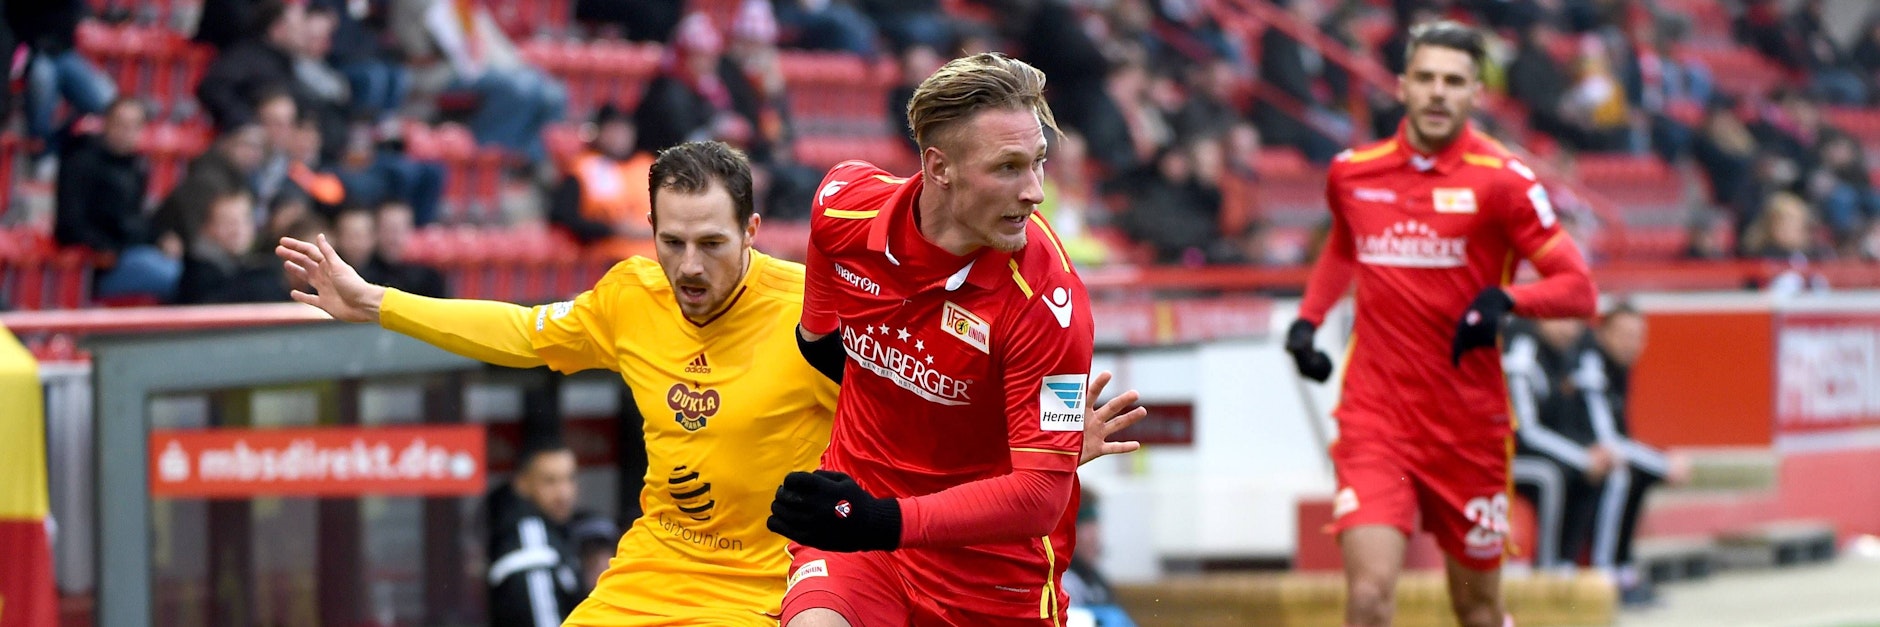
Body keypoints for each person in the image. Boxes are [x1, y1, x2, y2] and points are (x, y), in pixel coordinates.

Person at [277, 140, 1145, 626]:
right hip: (656, 569)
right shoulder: (629, 296)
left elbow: (926, 426)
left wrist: (1051, 447)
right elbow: (524, 334)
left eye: (711, 244)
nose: (688, 267)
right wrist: (374, 302)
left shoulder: (819, 308)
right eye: (671, 241)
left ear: (755, 231)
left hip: (780, 581)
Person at [1281, 21, 1598, 627]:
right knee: (1369, 598)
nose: (1437, 92)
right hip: (1376, 419)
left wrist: (1505, 302)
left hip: (1468, 431)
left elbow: (1579, 288)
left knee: (1477, 610)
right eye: (1425, 78)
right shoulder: (1353, 172)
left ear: (1477, 94)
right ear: (1401, 85)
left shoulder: (1504, 180)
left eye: (1454, 81)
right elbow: (1344, 249)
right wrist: (1308, 322)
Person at [778, 52, 1097, 627]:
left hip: (991, 573)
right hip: (861, 542)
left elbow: (1040, 498)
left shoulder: (1051, 303)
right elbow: (817, 338)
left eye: (1039, 164)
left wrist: (1047, 446)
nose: (1035, 192)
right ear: (938, 166)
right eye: (1008, 168)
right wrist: (866, 513)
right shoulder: (843, 205)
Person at [54, 99, 182, 302]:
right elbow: (69, 226)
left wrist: (159, 238)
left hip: (132, 252)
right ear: (106, 124)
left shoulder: (137, 166)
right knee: (175, 276)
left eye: (134, 126)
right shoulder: (81, 163)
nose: (126, 132)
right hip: (98, 266)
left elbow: (135, 220)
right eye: (121, 124)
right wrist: (108, 249)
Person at [486, 441, 584, 627]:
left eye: (570, 478)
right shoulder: (532, 542)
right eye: (550, 481)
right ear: (522, 483)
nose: (563, 493)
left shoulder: (554, 530)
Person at [548, 104, 656, 261]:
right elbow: (563, 216)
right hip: (609, 260)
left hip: (657, 262)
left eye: (624, 131)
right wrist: (613, 230)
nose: (619, 137)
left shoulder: (648, 166)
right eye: (612, 130)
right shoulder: (584, 168)